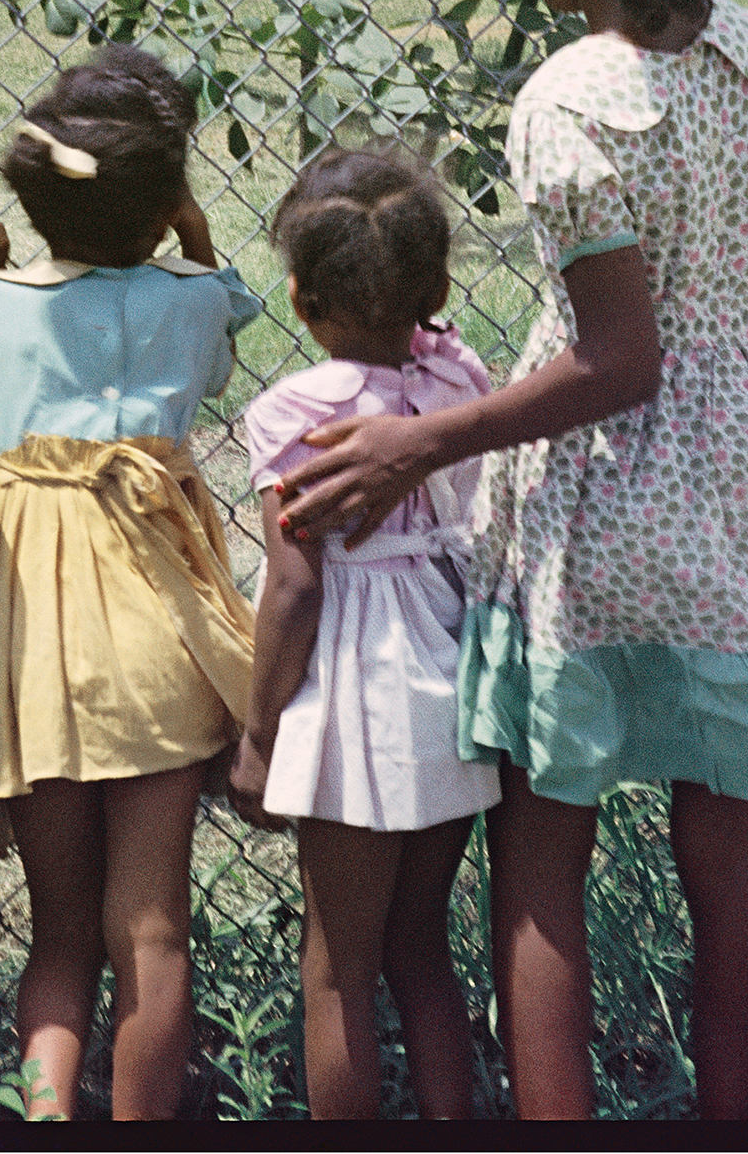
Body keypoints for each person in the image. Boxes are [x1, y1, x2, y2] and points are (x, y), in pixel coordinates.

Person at [279, 0, 748, 1123]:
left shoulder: (569, 97)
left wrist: (419, 448)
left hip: (607, 513)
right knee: (731, 848)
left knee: (544, 849)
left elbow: (618, 362)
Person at [0, 48, 260, 1123]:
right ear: (167, 202)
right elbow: (223, 328)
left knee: (57, 934)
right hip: (156, 641)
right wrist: (194, 240)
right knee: (151, 928)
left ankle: (47, 1115)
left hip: (35, 658)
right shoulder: (192, 295)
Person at [229, 146, 501, 1122]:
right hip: (448, 669)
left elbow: (296, 586)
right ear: (433, 285)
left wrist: (259, 731)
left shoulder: (295, 411)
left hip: (354, 693)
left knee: (337, 966)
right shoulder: (459, 374)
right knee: (422, 945)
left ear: (301, 299)